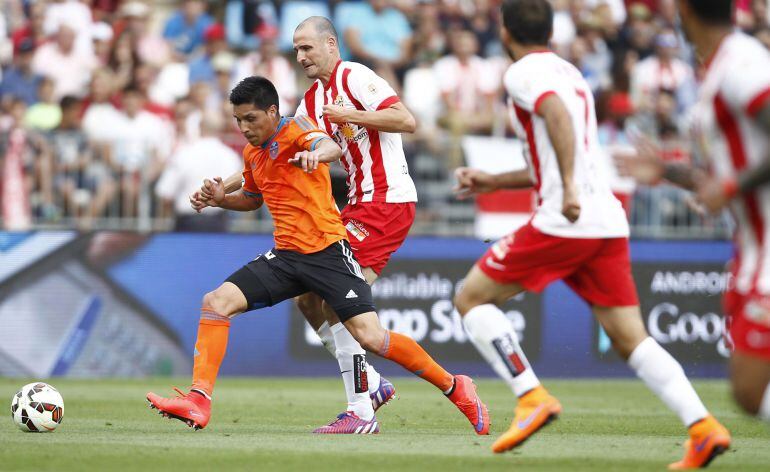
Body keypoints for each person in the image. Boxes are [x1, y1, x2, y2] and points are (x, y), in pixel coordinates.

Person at [452, 0, 730, 468]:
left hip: (567, 217)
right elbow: (565, 143)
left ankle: (530, 396)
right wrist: (497, 180)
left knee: (471, 299)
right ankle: (702, 427)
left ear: (505, 32)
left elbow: (556, 117)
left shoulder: (522, 73)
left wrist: (568, 192)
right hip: (606, 219)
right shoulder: (570, 72)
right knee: (630, 338)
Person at [147, 76, 489, 436]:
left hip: (327, 253)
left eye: (251, 119)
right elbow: (253, 197)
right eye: (238, 121)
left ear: (272, 111)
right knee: (217, 302)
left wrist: (315, 154)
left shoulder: (296, 130)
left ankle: (455, 386)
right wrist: (221, 199)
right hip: (286, 257)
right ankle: (200, 400)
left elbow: (330, 147)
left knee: (370, 337)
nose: (244, 128)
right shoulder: (254, 152)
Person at [198, 17, 421, 433]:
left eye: (307, 48)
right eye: (296, 50)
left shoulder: (355, 77)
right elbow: (271, 150)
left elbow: (406, 121)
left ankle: (363, 406)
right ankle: (369, 384)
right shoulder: (310, 101)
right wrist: (219, 185)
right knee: (307, 296)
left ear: (331, 44)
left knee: (340, 301)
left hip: (386, 200)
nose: (300, 57)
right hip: (358, 202)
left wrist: (349, 113)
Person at [616, 0, 770, 425]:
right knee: (747, 391)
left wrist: (733, 186)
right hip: (751, 249)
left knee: (751, 388)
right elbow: (722, 174)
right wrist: (667, 171)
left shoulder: (743, 66)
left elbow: (733, 178)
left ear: (685, 12)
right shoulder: (715, 69)